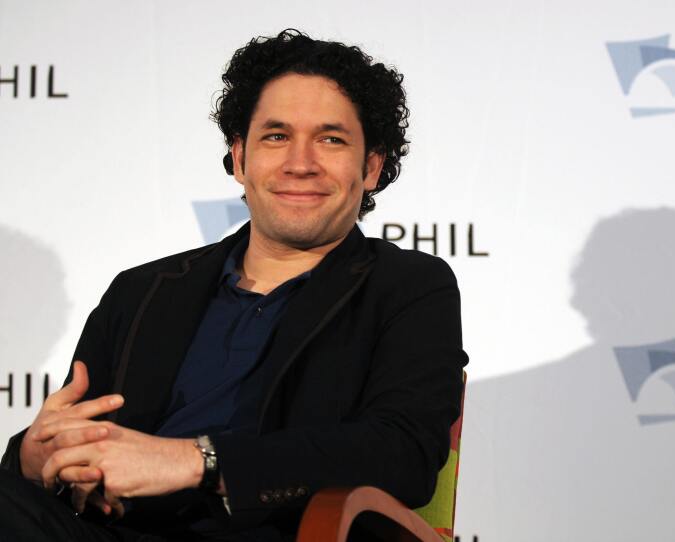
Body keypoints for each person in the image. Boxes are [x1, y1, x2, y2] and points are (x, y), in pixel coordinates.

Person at [0, 28, 467, 541]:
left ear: (371, 167)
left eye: (331, 139)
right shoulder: (142, 291)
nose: (300, 162)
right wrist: (33, 455)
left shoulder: (409, 287)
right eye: (276, 136)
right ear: (240, 158)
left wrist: (195, 460)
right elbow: (78, 439)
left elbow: (402, 453)